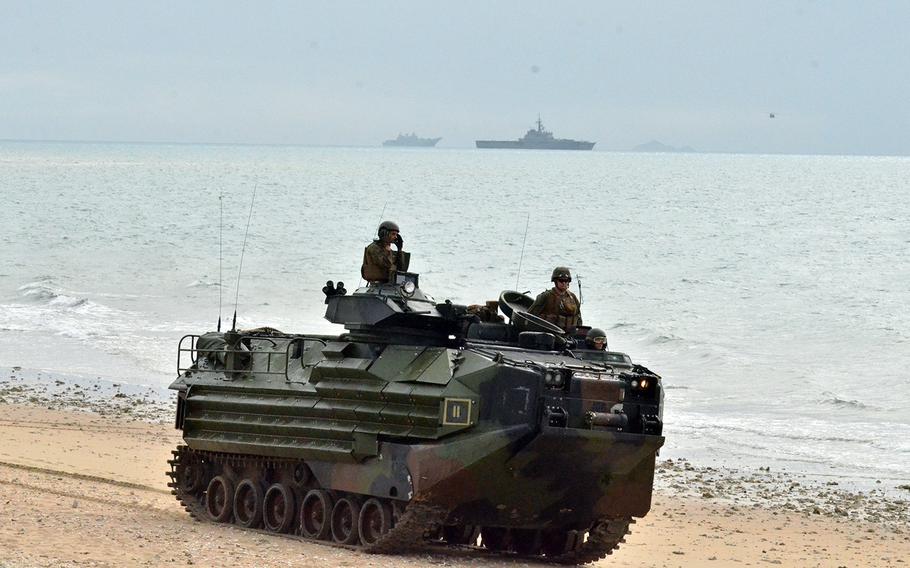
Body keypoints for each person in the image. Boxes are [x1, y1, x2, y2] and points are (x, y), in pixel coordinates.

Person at [528, 266, 582, 332]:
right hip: (549, 334)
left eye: (566, 280)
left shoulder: (573, 298)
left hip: (569, 335)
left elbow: (578, 318)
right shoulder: (546, 296)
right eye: (561, 280)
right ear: (555, 281)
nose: (564, 283)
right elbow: (530, 316)